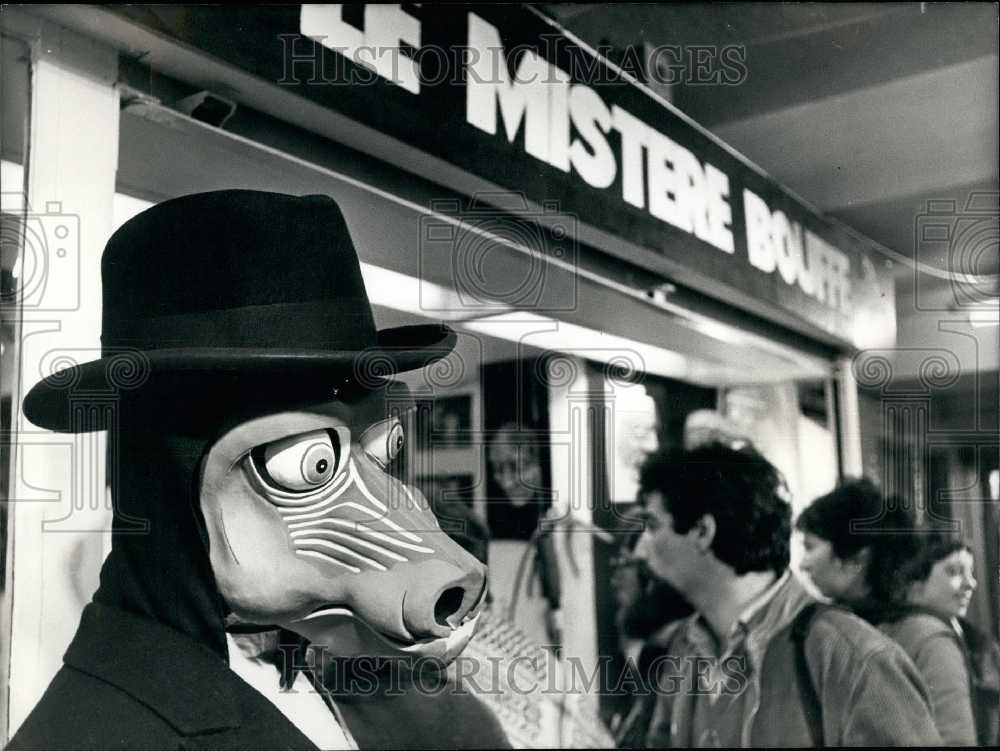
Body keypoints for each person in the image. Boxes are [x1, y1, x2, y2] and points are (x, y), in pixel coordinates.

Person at [8, 191, 488, 750]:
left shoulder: (282, 662)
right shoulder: (95, 736)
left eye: (384, 447)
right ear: (173, 484)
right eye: (313, 465)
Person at [626, 445, 941, 747]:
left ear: (702, 532)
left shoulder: (853, 658)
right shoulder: (686, 649)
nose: (639, 551)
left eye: (652, 526)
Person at [797, 482, 999, 745]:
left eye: (810, 547)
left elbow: (954, 739)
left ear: (856, 559)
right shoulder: (831, 627)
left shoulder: (927, 638)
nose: (803, 563)